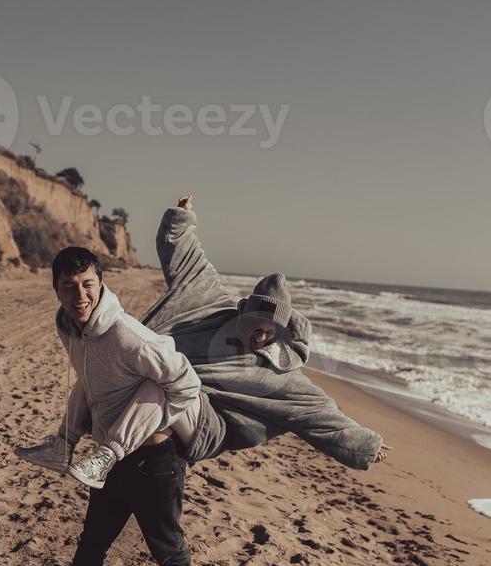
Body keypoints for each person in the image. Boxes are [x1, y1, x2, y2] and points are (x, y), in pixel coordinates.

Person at [16, 246, 201, 566]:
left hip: (155, 459)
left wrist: (155, 416)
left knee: (169, 553)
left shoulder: (126, 335)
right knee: (92, 542)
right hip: (110, 461)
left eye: (88, 286)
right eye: (69, 287)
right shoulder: (69, 326)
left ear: (101, 284)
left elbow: (186, 383)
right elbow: (91, 381)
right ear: (57, 291)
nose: (80, 295)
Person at [139, 195, 389, 469]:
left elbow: (320, 411)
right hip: (165, 401)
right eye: (254, 327)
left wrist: (366, 444)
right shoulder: (214, 307)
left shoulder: (280, 371)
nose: (259, 336)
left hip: (207, 426)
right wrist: (182, 217)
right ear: (243, 312)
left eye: (269, 332)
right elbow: (188, 261)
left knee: (161, 394)